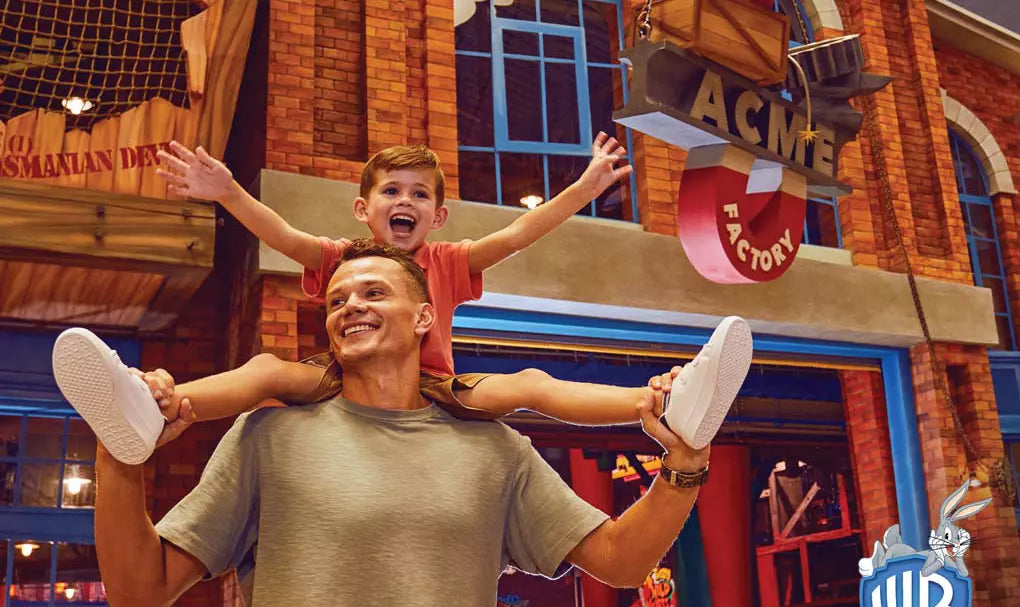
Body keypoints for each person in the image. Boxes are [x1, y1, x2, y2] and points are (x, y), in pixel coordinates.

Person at [52, 134, 752, 465]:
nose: (405, 201)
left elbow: (519, 232)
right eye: (392, 190)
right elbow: (283, 233)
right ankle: (157, 407)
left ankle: (662, 405)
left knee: (529, 383)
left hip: (437, 386)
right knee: (268, 370)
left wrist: (584, 187)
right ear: (364, 208)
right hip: (345, 376)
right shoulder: (343, 261)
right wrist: (227, 191)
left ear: (439, 216)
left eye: (420, 193)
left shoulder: (448, 262)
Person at [93, 241, 719, 606]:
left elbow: (620, 562)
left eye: (371, 293)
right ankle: (136, 415)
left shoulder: (495, 448)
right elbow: (139, 592)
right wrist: (119, 457)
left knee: (534, 387)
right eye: (336, 301)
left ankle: (671, 402)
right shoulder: (270, 438)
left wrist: (684, 466)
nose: (349, 307)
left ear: (424, 319)